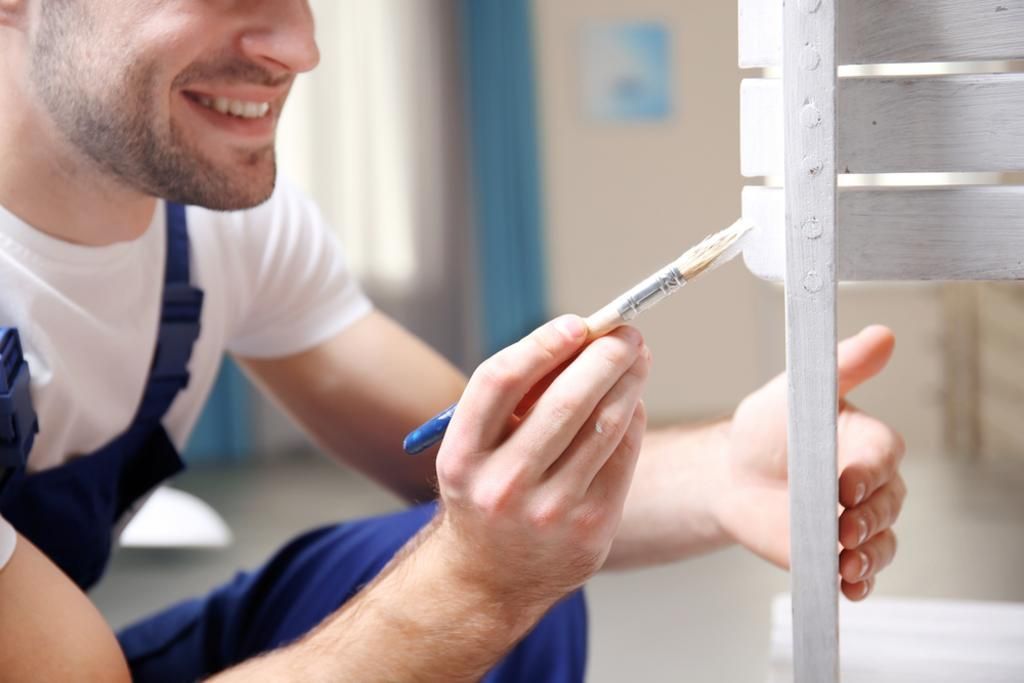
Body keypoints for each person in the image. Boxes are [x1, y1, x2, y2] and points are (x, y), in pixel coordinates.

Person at [0, 1, 907, 681]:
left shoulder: (223, 228)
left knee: (479, 570)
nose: (300, 47)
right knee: (473, 585)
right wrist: (478, 585)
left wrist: (723, 473)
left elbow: (467, 459)